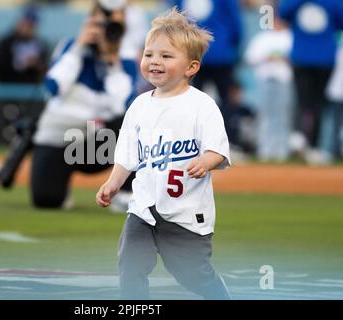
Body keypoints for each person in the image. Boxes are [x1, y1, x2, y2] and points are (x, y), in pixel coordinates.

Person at [96, 8, 231, 300]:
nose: (154, 61)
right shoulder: (139, 105)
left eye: (167, 56)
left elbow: (218, 150)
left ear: (191, 67)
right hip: (143, 209)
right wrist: (113, 183)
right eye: (149, 54)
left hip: (185, 213)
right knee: (130, 263)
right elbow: (127, 155)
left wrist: (205, 161)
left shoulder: (201, 105)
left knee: (192, 274)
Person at [31, 0, 137, 209]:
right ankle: (59, 184)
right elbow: (53, 87)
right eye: (101, 23)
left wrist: (111, 59)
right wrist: (80, 48)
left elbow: (122, 106)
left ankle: (125, 192)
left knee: (133, 123)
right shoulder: (70, 47)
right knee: (47, 200)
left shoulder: (125, 54)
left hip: (97, 141)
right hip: (60, 136)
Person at [278, 0, 343, 163]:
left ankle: (313, 145)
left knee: (317, 104)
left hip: (323, 59)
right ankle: (300, 140)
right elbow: (282, 14)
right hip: (303, 57)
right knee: (303, 101)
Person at [167, 0, 243, 131]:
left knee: (190, 98)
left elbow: (173, 19)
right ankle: (229, 136)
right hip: (220, 53)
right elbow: (236, 25)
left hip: (192, 54)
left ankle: (191, 136)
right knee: (226, 99)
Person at [244, 13, 294, 161]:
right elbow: (250, 58)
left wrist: (284, 58)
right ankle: (265, 150)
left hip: (284, 80)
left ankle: (281, 151)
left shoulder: (290, 36)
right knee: (265, 115)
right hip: (266, 80)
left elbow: (298, 58)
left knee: (283, 116)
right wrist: (267, 58)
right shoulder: (263, 37)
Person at [0, 7, 49, 84]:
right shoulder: (6, 43)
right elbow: (1, 67)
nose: (26, 28)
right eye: (25, 23)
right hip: (9, 88)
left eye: (31, 25)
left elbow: (44, 69)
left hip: (31, 89)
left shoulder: (40, 45)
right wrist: (22, 63)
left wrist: (36, 64)